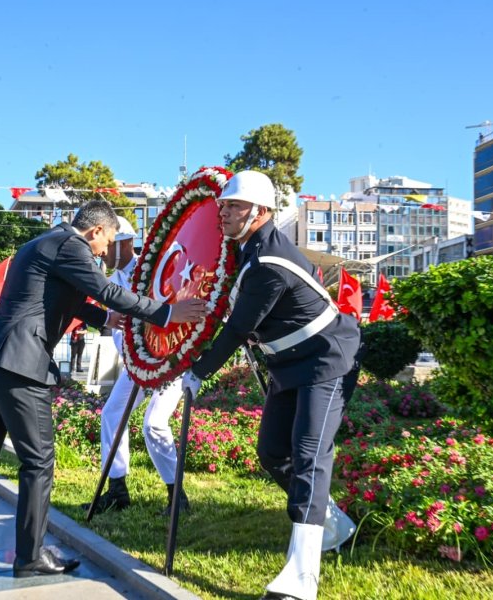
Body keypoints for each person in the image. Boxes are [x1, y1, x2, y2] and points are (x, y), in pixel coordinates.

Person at [0, 200, 207, 577]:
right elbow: (105, 291)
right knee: (39, 461)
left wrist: (105, 319)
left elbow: (71, 300)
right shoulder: (72, 246)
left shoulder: (43, 243)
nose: (104, 251)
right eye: (106, 241)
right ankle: (30, 556)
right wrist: (165, 313)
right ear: (96, 230)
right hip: (20, 365)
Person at [181, 171, 360, 600]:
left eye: (234, 206)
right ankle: (333, 526)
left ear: (261, 212)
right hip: (290, 364)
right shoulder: (247, 251)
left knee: (308, 456)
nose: (223, 212)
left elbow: (240, 326)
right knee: (272, 452)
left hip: (326, 359)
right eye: (223, 205)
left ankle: (302, 579)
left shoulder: (266, 261)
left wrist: (199, 371)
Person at [87, 216, 189, 516]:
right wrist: (132, 357)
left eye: (109, 245)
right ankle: (117, 489)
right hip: (137, 363)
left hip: (169, 360)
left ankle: (177, 496)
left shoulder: (155, 269)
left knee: (154, 424)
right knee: (112, 415)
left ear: (126, 242)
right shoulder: (113, 280)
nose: (102, 252)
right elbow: (119, 331)